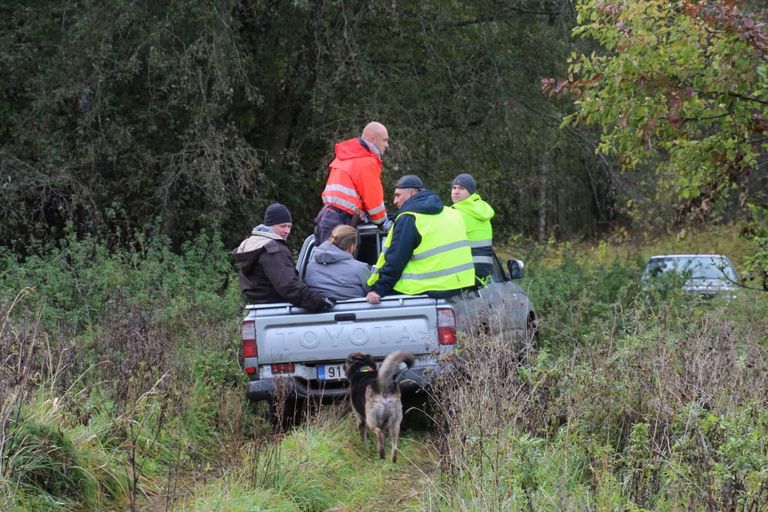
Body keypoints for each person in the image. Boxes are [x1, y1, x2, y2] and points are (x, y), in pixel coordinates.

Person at [366, 175, 475, 304]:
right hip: (460, 287)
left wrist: (379, 289)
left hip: (427, 289)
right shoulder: (452, 213)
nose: (395, 201)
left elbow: (396, 259)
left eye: (398, 195)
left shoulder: (409, 217)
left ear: (411, 193)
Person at [232, 203, 334, 312]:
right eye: (282, 226)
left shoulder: (255, 244)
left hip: (260, 310)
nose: (287, 231)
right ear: (270, 225)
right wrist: (319, 302)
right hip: (277, 310)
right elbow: (289, 287)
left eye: (289, 226)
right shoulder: (273, 250)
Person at [314, 122, 392, 243]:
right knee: (339, 260)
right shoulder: (366, 161)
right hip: (341, 222)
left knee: (325, 259)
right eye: (385, 140)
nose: (387, 145)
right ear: (372, 139)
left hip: (326, 217)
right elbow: (373, 200)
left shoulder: (346, 156)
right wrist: (383, 222)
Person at [450, 173, 495, 284]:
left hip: (464, 274)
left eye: (461, 188)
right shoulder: (482, 210)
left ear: (470, 192)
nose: (456, 192)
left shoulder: (456, 213)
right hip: (482, 275)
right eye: (454, 188)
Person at [305, 224, 371, 300]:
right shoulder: (360, 269)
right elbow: (374, 291)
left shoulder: (310, 266)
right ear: (352, 247)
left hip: (316, 310)